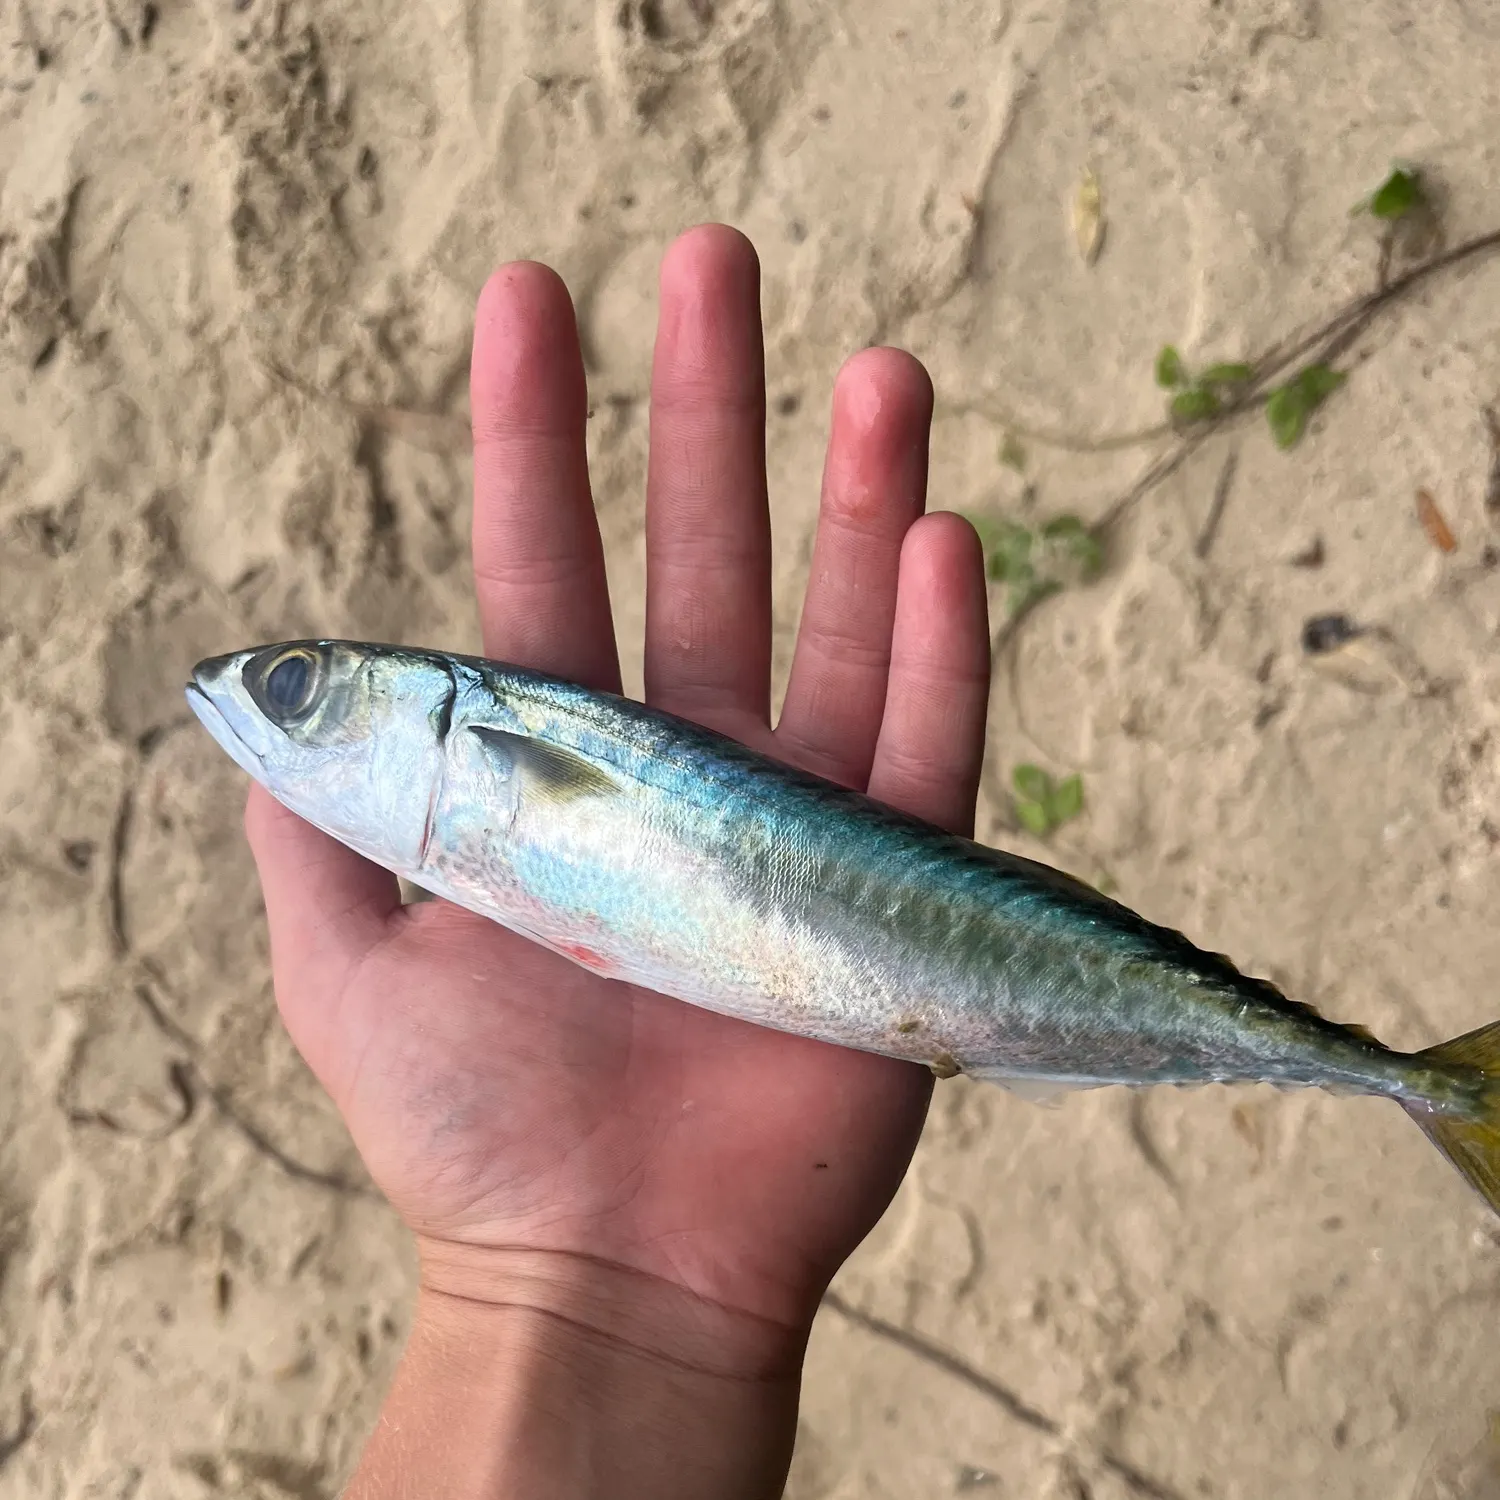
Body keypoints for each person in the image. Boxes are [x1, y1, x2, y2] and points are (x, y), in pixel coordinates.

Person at [244, 224, 992, 1498]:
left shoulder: (479, 743)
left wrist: (539, 1298)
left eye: (298, 689)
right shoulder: (445, 772)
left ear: (430, 723)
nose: (270, 709)